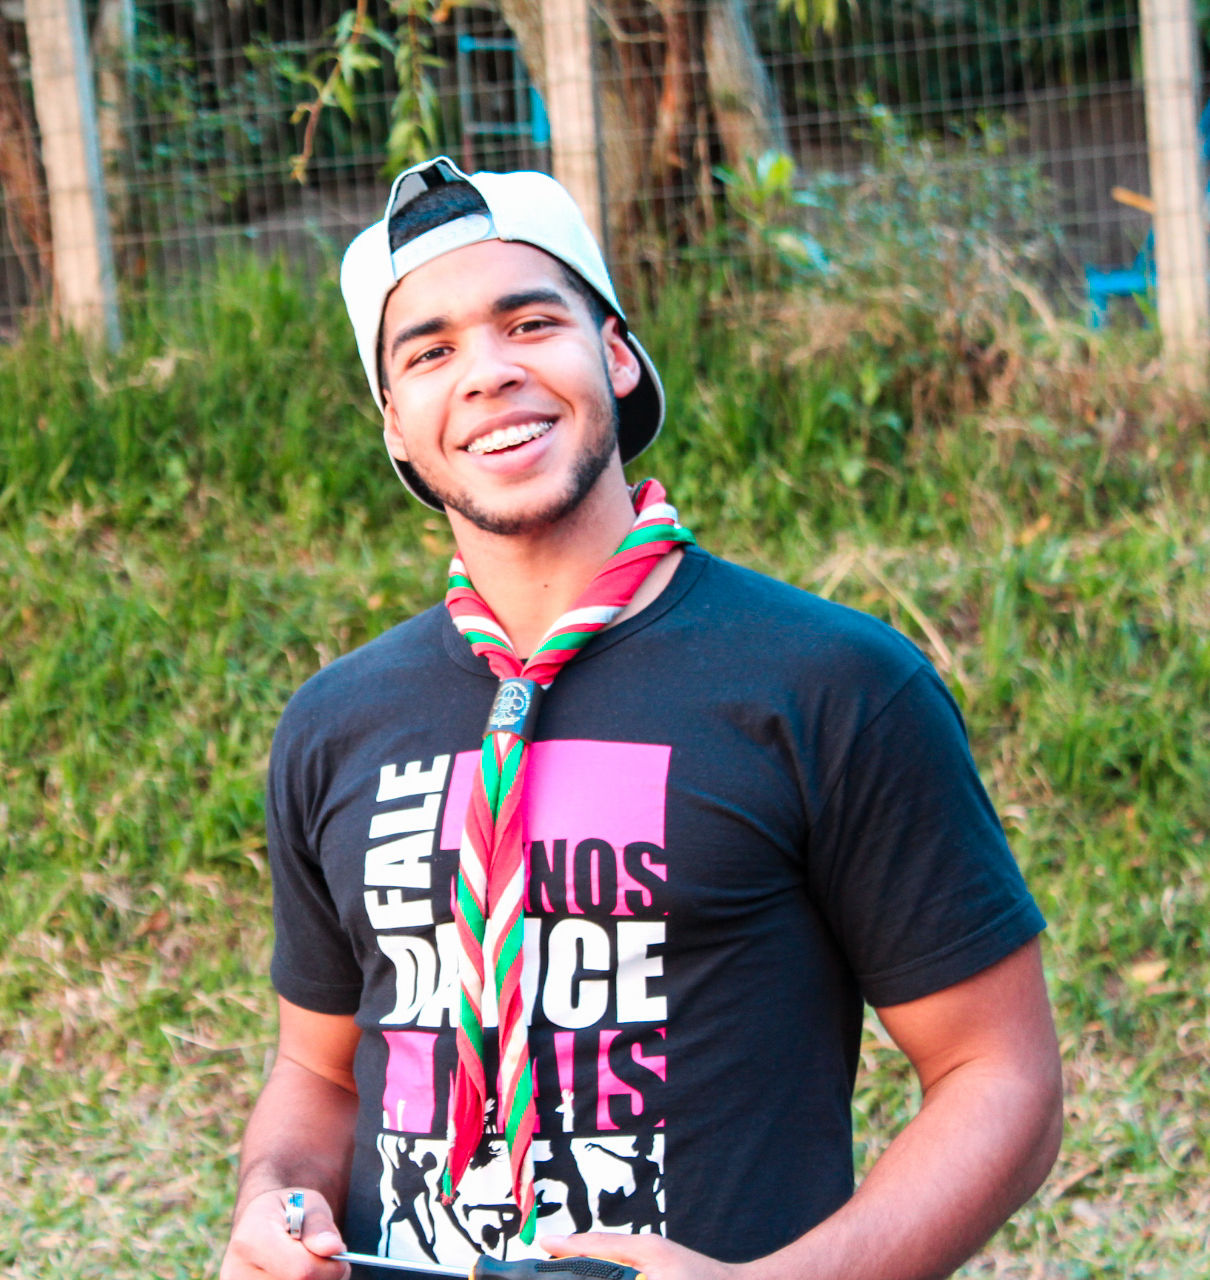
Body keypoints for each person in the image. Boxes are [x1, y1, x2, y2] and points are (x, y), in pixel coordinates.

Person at [221, 158, 1061, 1280]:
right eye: (429, 353)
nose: (489, 373)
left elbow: (1000, 1076)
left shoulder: (833, 685)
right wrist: (272, 1199)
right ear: (397, 427)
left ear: (616, 356)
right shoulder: (336, 723)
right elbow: (320, 1073)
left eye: (530, 323)